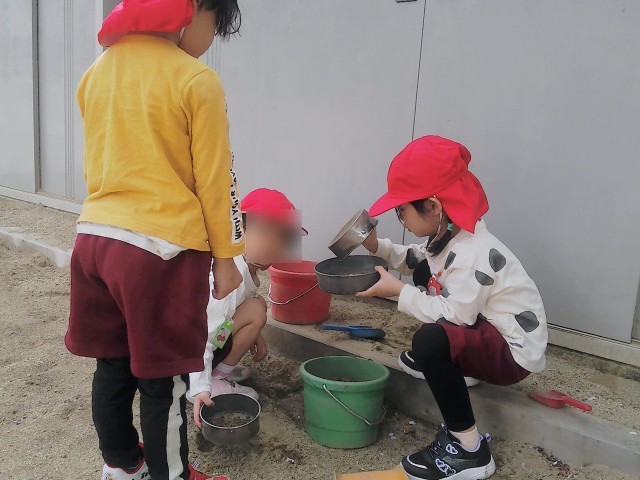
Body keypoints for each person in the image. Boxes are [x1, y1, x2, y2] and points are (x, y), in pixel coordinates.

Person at [65, 1, 244, 479]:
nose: (213, 38)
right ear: (196, 10)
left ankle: (123, 465)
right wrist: (227, 257)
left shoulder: (96, 72)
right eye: (217, 25)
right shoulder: (195, 79)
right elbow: (216, 178)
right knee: (161, 378)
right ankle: (173, 474)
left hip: (94, 239)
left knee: (112, 364)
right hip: (158, 250)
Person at [358, 135, 547, 480]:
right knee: (424, 270)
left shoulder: (473, 252)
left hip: (511, 353)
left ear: (433, 206)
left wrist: (399, 292)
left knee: (430, 342)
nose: (401, 219)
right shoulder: (450, 233)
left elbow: (458, 314)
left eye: (402, 211)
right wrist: (377, 247)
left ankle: (469, 449)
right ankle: (461, 365)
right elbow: (416, 258)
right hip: (487, 327)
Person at [189, 188, 307, 428]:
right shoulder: (228, 276)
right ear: (240, 231)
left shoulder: (245, 266)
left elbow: (242, 305)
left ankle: (217, 372)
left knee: (257, 305)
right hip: (187, 356)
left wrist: (255, 334)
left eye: (283, 237)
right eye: (267, 233)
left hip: (197, 345)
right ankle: (210, 381)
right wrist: (200, 387)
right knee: (256, 310)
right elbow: (199, 337)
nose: (276, 245)